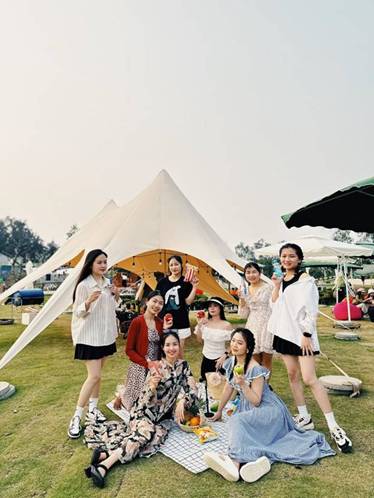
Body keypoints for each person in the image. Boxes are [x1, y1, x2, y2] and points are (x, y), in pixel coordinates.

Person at [204, 328, 335, 483]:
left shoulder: (255, 368)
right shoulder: (231, 362)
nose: (235, 345)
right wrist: (219, 411)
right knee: (240, 425)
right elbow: (228, 388)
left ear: (248, 348)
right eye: (233, 341)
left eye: (240, 343)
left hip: (268, 409)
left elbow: (256, 401)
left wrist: (244, 385)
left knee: (237, 421)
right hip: (249, 407)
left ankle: (234, 463)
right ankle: (253, 464)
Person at [84, 332, 198, 488]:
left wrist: (183, 400)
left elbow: (193, 390)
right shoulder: (156, 367)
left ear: (179, 346)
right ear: (163, 348)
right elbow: (143, 401)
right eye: (168, 345)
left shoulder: (184, 366)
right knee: (145, 433)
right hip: (142, 414)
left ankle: (104, 454)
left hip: (162, 419)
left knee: (154, 441)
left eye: (175, 344)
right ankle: (104, 466)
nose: (172, 348)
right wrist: (151, 387)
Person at [268, 243, 352, 453]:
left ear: (299, 259)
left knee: (309, 378)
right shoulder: (282, 280)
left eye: (291, 256)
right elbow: (275, 306)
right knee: (292, 375)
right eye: (284, 256)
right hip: (284, 334)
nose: (287, 259)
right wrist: (276, 286)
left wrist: (306, 334)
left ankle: (334, 426)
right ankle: (304, 416)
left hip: (302, 336)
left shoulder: (306, 282)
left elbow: (311, 310)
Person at [68, 249, 121, 439]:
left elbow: (113, 308)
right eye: (100, 262)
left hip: (105, 337)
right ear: (91, 264)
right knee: (93, 376)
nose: (103, 265)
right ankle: (76, 417)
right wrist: (88, 301)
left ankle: (93, 410)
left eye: (105, 262)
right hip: (89, 337)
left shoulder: (108, 284)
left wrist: (115, 295)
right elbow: (77, 312)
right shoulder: (84, 285)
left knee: (98, 377)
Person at [114, 290, 173, 411]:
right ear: (147, 301)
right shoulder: (137, 322)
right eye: (154, 301)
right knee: (134, 403)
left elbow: (164, 347)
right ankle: (120, 396)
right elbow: (129, 350)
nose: (157, 305)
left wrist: (166, 330)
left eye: (160, 303)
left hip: (155, 367)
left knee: (151, 402)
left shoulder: (160, 323)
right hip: (140, 366)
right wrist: (146, 363)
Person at [156, 255, 199, 357]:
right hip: (165, 322)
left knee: (179, 353)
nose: (174, 267)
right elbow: (157, 301)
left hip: (181, 321)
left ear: (181, 266)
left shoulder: (186, 282)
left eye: (176, 264)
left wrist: (194, 287)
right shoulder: (162, 282)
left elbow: (188, 302)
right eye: (171, 265)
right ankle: (166, 372)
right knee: (165, 353)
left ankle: (179, 372)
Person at [238, 262, 273, 373]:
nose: (251, 275)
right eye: (248, 272)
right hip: (252, 325)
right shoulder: (245, 290)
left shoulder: (269, 288)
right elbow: (243, 314)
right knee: (255, 360)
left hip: (266, 325)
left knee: (266, 360)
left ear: (259, 273)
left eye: (254, 272)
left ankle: (266, 388)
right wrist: (242, 298)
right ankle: (258, 386)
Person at [194, 297, 233, 381]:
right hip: (206, 359)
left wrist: (225, 355)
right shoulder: (204, 322)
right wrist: (200, 325)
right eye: (210, 306)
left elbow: (233, 344)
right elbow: (199, 340)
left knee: (220, 385)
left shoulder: (227, 325)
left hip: (221, 360)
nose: (212, 308)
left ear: (220, 308)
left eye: (215, 306)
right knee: (206, 383)